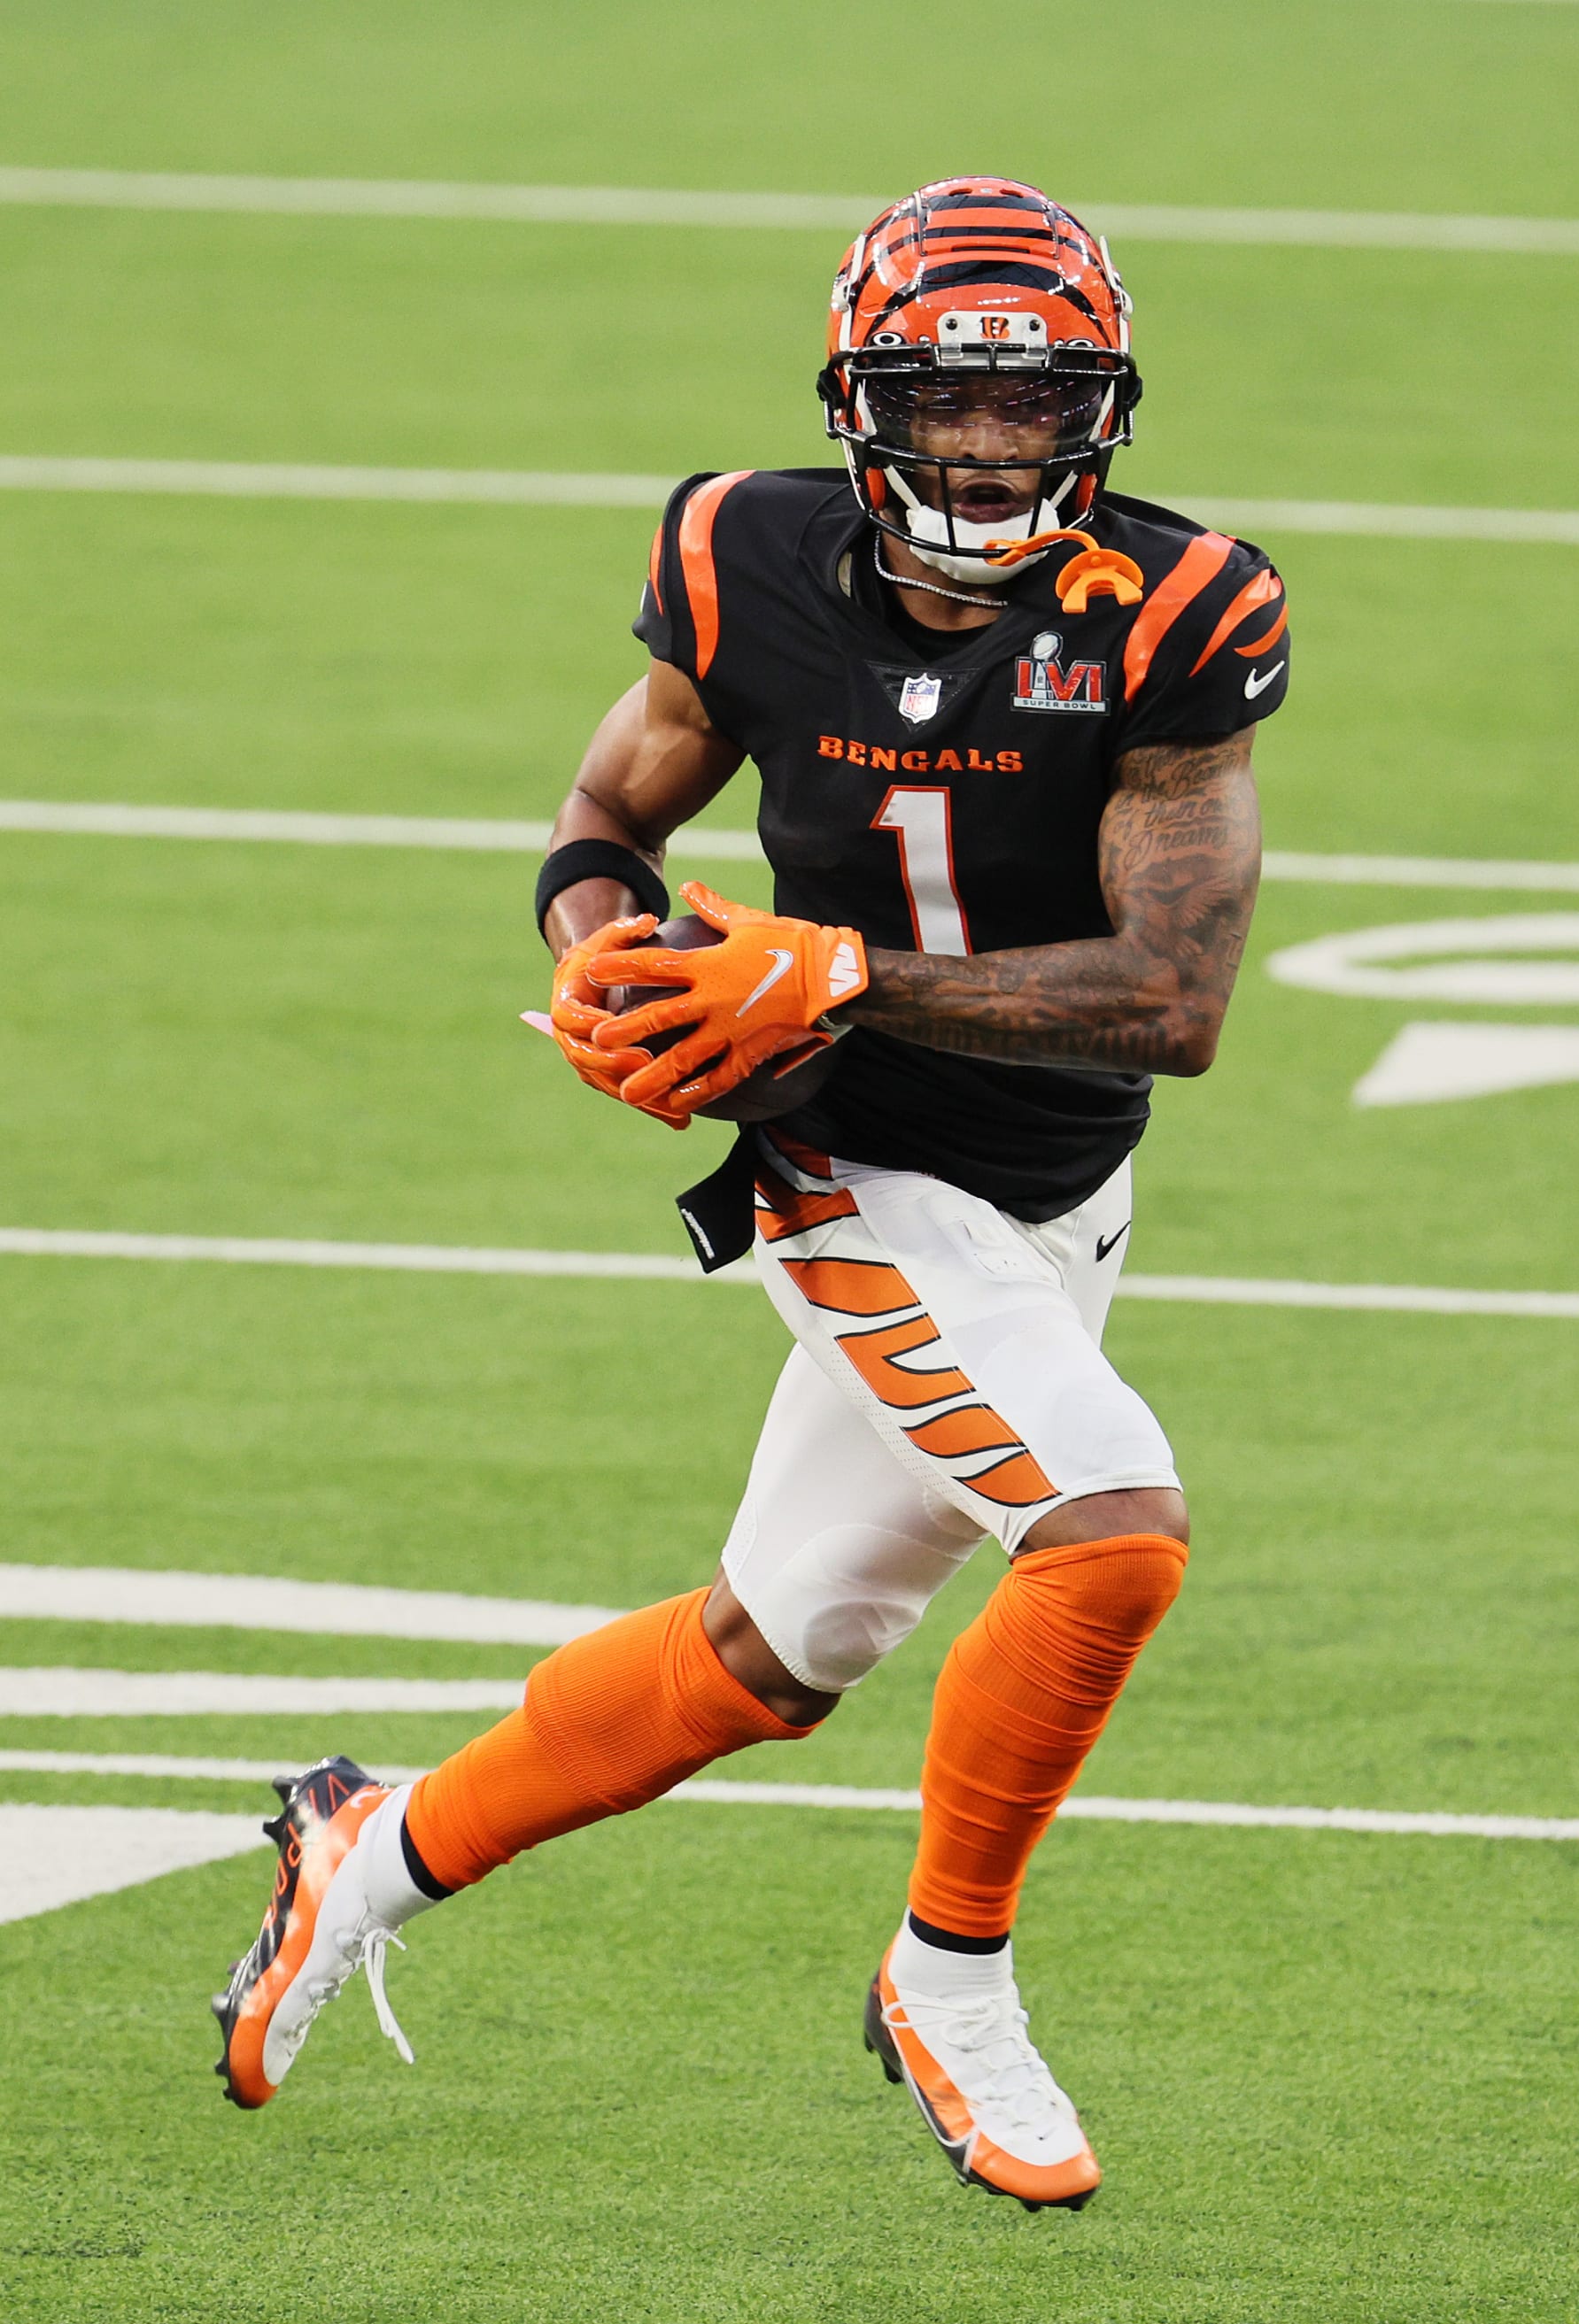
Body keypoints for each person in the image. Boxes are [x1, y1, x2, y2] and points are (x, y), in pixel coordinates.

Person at [213, 175, 1289, 2212]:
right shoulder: (740, 557)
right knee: (1111, 1535)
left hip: (1059, 1194)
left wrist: (846, 959)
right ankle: (947, 1978)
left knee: (771, 1659)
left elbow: (1177, 1002)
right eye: (945, 405)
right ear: (857, 402)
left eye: (1036, 403)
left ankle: (380, 1838)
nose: (989, 447)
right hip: (852, 1167)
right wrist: (600, 945)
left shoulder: (1181, 608)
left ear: (1105, 407)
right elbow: (612, 808)